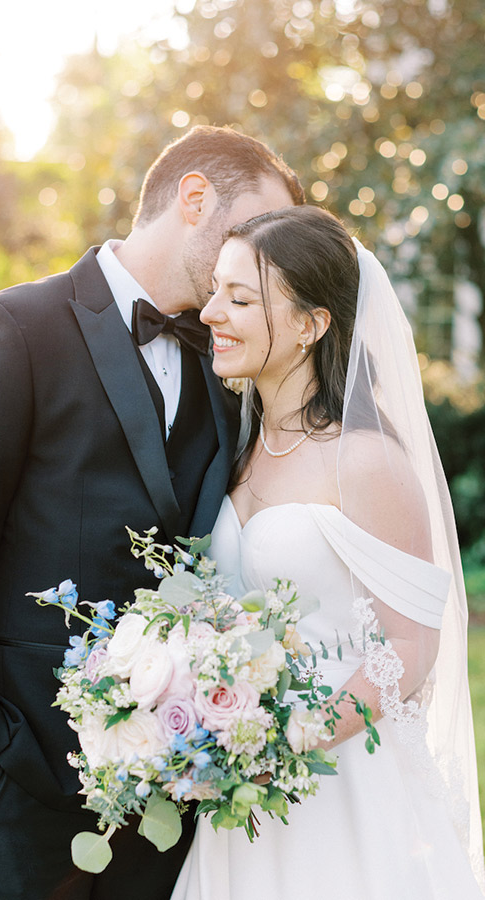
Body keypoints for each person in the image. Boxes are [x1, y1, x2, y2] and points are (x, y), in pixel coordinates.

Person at [0, 125, 302, 900]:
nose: (261, 256)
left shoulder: (227, 364)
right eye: (250, 229)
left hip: (169, 784)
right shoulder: (10, 330)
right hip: (16, 779)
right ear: (194, 199)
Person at [171, 205, 485, 899]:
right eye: (216, 291)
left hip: (344, 785)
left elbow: (410, 647)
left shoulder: (365, 462)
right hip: (241, 797)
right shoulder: (237, 446)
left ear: (311, 325)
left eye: (241, 298)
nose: (212, 312)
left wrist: (285, 744)